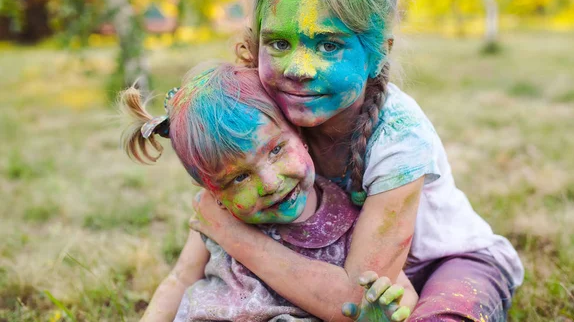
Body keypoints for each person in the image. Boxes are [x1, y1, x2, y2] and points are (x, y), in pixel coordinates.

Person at [187, 0, 524, 322]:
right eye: (278, 43)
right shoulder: (268, 109)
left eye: (329, 45)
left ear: (379, 54)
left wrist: (233, 236)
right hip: (330, 271)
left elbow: (353, 301)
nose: (298, 69)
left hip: (448, 263)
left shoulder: (400, 135)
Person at [120, 63, 417, 322]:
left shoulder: (346, 216)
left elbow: (400, 290)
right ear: (214, 193)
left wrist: (379, 312)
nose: (271, 183)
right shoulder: (213, 219)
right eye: (239, 178)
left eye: (275, 150)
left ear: (299, 135)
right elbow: (179, 279)